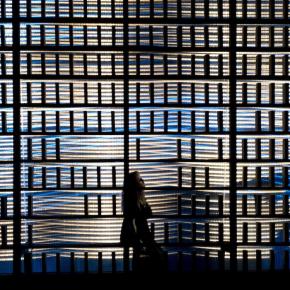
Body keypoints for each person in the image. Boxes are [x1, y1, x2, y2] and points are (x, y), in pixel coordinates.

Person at [120, 171, 166, 273]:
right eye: (140, 179)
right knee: (157, 255)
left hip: (140, 235)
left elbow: (149, 213)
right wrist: (138, 239)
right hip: (138, 235)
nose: (142, 181)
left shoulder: (138, 198)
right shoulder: (133, 201)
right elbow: (133, 221)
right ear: (135, 183)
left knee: (154, 255)